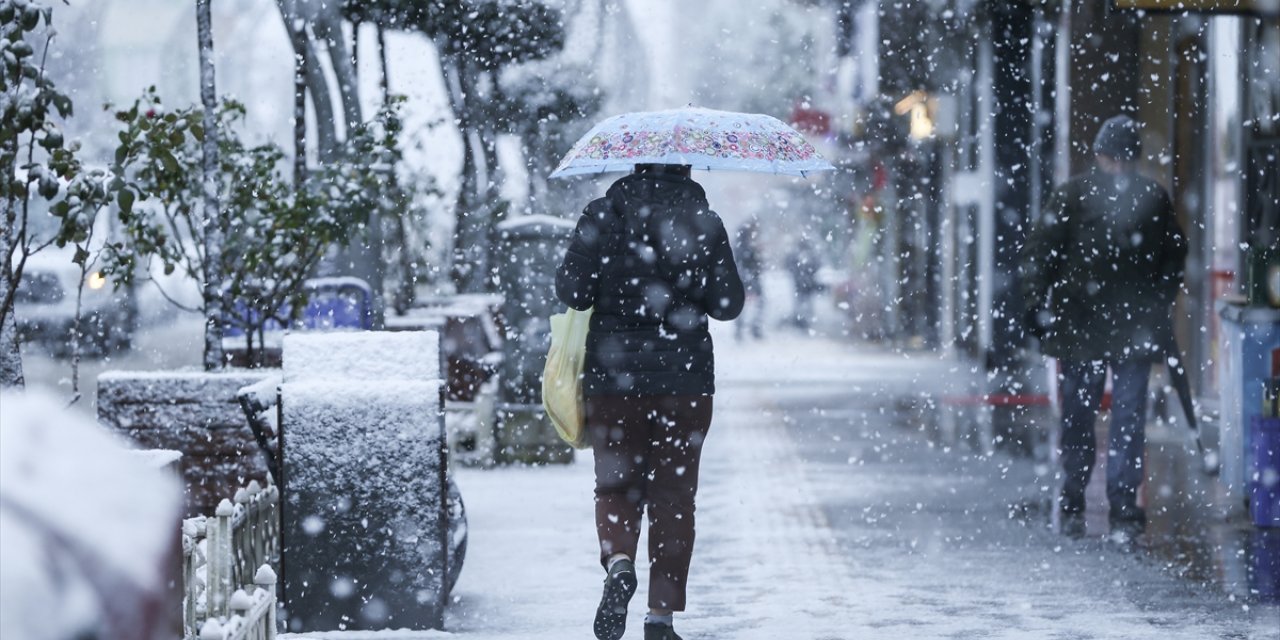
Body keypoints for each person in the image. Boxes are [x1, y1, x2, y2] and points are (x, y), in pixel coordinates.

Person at [556, 163, 744, 640]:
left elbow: (572, 292)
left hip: (612, 380)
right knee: (674, 497)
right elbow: (729, 306)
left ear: (633, 164)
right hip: (685, 381)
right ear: (686, 168)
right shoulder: (705, 221)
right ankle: (660, 618)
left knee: (617, 487)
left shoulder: (602, 214)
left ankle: (619, 562)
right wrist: (690, 284)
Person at [1020, 115, 1188, 541]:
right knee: (1081, 413)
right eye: (1114, 160)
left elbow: (1173, 255)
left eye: (1125, 160)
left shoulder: (1148, 197)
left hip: (1122, 324)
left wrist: (1160, 298)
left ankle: (1122, 498)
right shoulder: (1076, 197)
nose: (1119, 168)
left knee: (1127, 414)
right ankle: (1076, 491)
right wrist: (1035, 303)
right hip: (1086, 324)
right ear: (1099, 157)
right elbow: (1042, 254)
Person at [734, 219, 765, 341]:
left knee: (747, 303)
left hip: (747, 275)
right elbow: (746, 259)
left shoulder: (743, 242)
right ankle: (750, 328)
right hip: (747, 276)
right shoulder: (745, 243)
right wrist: (755, 252)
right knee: (755, 302)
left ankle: (746, 328)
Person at [787, 236, 822, 331]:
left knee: (802, 302)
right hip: (805, 284)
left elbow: (790, 266)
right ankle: (803, 320)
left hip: (803, 284)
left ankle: (802, 319)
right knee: (804, 302)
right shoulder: (808, 255)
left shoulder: (799, 255)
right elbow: (817, 265)